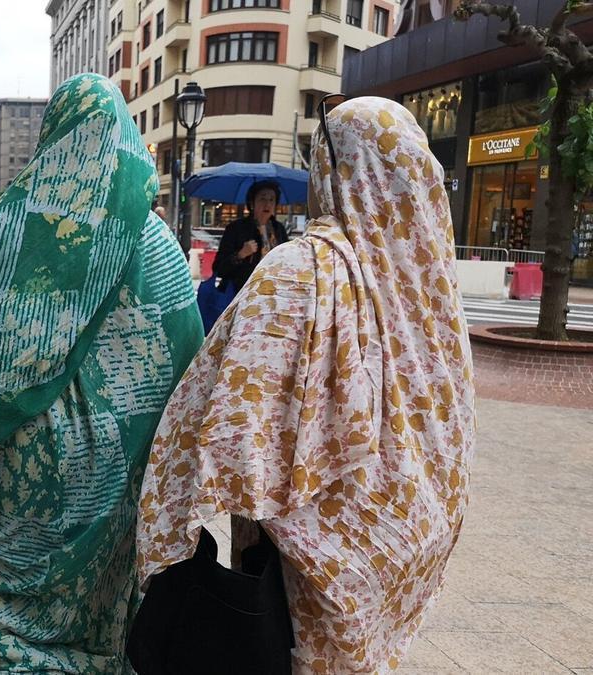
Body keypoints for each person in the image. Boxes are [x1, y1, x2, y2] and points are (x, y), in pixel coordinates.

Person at [137, 96, 475, 672]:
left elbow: (227, 430)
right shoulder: (433, 293)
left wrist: (171, 527)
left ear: (332, 168)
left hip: (308, 569)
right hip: (403, 547)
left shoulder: (302, 270)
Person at [0, 73, 204, 672]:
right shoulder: (158, 246)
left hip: (20, 482)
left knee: (13, 630)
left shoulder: (5, 232)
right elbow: (186, 367)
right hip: (114, 489)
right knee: (103, 630)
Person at [212, 180, 289, 292]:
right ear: (252, 203)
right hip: (241, 293)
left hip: (272, 292)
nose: (267, 204)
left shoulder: (279, 229)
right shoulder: (236, 228)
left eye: (272, 199)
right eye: (262, 199)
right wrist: (240, 255)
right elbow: (218, 268)